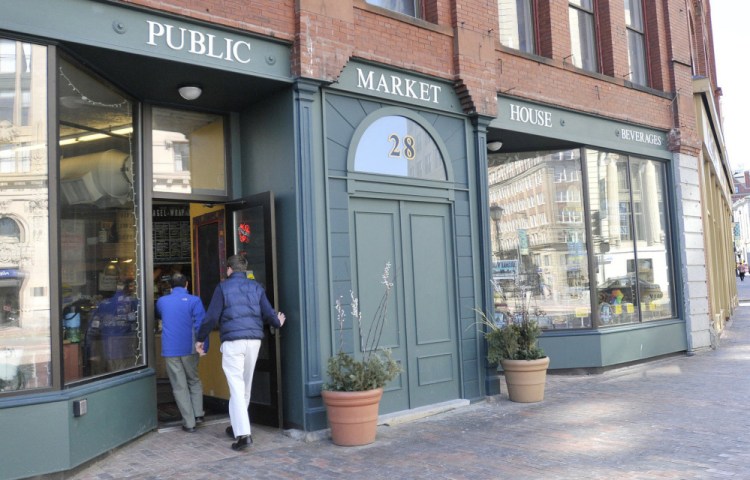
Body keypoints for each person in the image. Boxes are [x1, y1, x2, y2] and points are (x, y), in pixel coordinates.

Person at [195, 254, 286, 451]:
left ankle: (244, 435)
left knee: (236, 388)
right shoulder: (256, 287)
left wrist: (200, 338)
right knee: (245, 387)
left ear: (229, 269)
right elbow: (269, 313)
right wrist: (278, 322)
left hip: (233, 342)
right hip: (254, 341)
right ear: (244, 270)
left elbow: (210, 317)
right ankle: (237, 426)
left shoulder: (223, 288)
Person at [156, 272, 207, 433]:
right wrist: (204, 346)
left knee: (179, 386)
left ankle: (189, 423)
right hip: (189, 348)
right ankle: (198, 414)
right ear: (187, 285)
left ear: (170, 287)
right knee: (194, 379)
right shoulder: (195, 300)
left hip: (170, 349)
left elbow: (161, 315)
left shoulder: (162, 302)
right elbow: (201, 324)